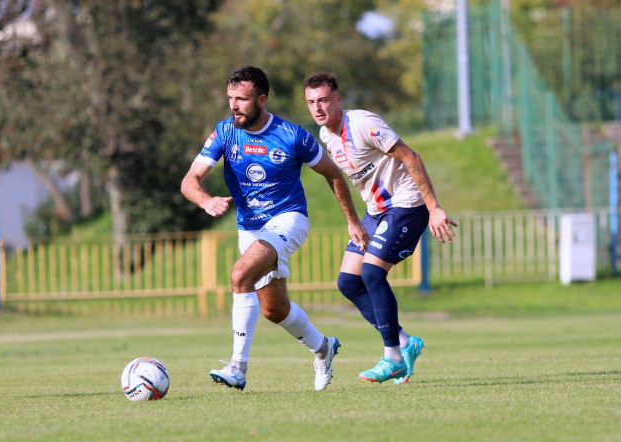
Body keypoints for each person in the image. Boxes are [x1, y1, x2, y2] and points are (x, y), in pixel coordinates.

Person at [181, 66, 369, 391]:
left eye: (242, 99)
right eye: (230, 98)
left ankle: (237, 367)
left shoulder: (293, 136)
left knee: (240, 275)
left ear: (262, 100)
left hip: (289, 220)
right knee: (274, 309)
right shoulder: (225, 132)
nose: (234, 105)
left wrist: (353, 220)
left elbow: (334, 174)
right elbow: (190, 180)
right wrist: (206, 200)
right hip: (249, 229)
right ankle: (323, 347)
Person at [303, 72, 458, 384]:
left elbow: (411, 156)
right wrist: (354, 222)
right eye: (311, 102)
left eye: (323, 100)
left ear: (337, 100)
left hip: (407, 204)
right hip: (376, 212)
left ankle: (393, 359)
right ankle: (404, 341)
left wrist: (434, 208)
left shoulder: (363, 124)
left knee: (372, 273)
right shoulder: (326, 136)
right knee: (349, 282)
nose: (317, 108)